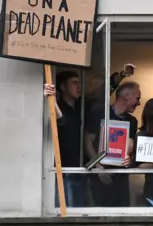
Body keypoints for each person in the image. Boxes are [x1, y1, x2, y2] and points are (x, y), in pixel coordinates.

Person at [43, 64, 136, 207]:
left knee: (81, 210)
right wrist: (52, 99)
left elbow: (102, 93)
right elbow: (60, 120)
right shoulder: (60, 107)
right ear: (62, 87)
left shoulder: (83, 105)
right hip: (65, 170)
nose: (79, 86)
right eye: (74, 83)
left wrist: (122, 75)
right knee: (68, 211)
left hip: (83, 170)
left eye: (79, 82)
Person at [87, 81, 141, 207]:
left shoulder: (132, 121)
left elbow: (130, 144)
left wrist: (129, 158)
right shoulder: (100, 114)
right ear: (125, 96)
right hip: (99, 175)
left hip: (120, 175)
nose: (139, 103)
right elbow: (87, 140)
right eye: (137, 98)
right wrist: (97, 167)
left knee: (122, 209)